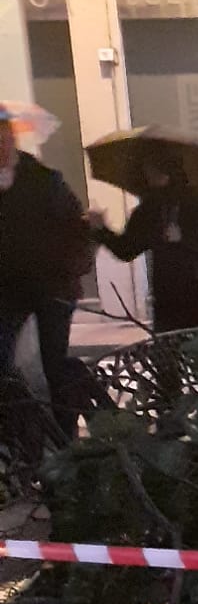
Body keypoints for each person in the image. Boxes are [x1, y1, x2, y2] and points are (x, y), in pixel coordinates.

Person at [0, 108, 94, 427]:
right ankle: (19, 431)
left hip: (53, 284)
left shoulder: (43, 180)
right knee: (4, 361)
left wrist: (74, 257)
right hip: (10, 287)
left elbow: (74, 224)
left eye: (4, 135)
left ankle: (66, 433)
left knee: (56, 365)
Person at [89, 146, 198, 333]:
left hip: (190, 298)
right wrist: (101, 229)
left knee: (187, 355)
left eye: (151, 171)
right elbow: (127, 248)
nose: (148, 177)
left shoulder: (187, 203)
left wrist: (185, 238)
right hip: (185, 301)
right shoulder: (156, 208)